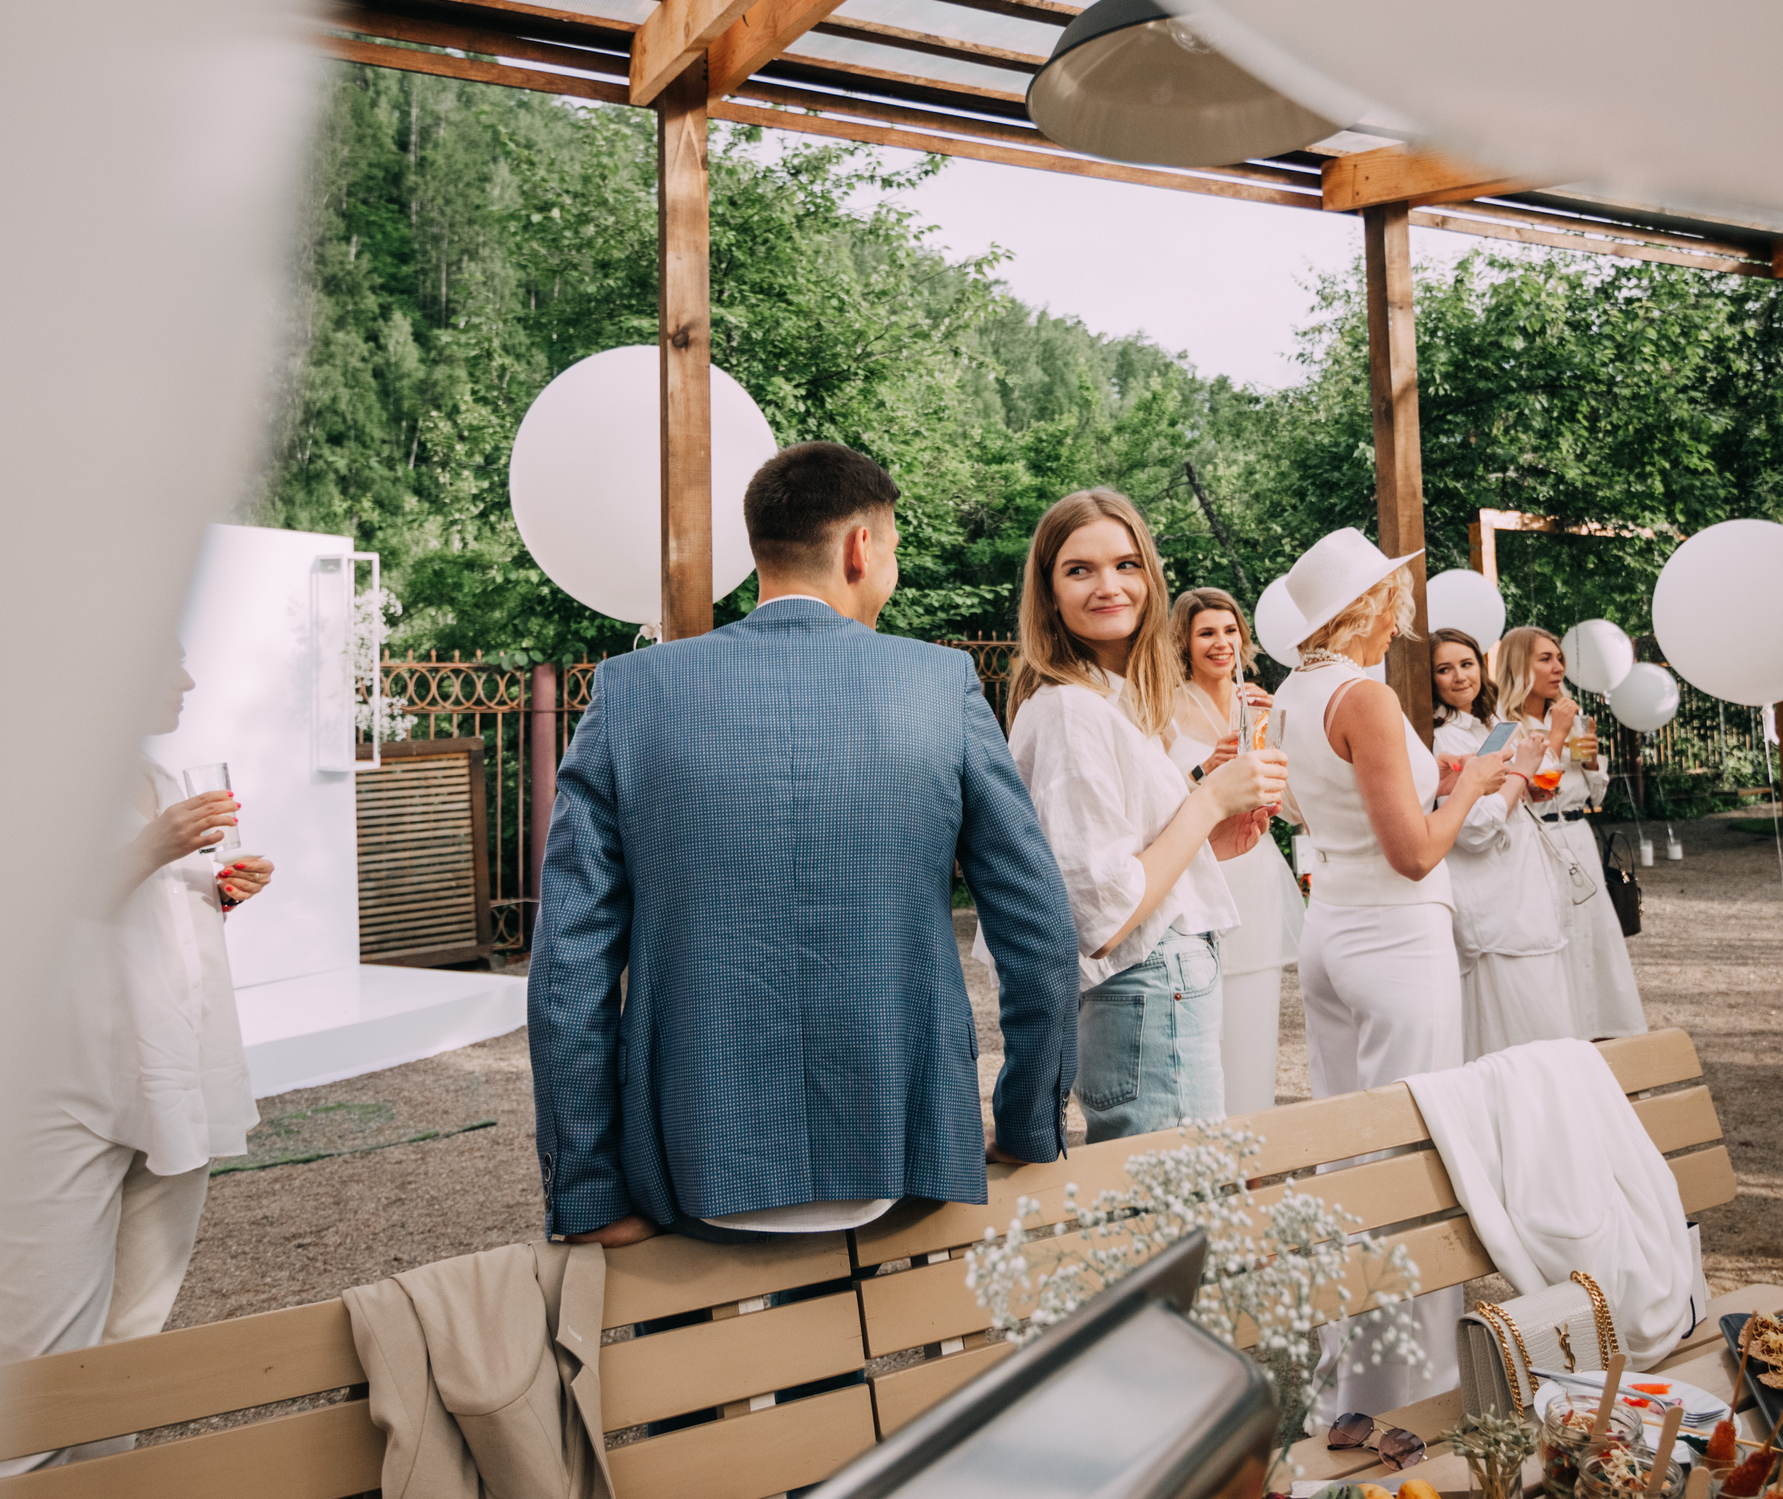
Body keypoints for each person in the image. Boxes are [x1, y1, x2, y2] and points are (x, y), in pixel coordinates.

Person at [528, 442, 1080, 1247]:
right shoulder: (940, 686)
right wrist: (1027, 1123)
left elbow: (568, 969)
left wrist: (589, 1192)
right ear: (861, 547)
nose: (890, 573)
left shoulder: (629, 692)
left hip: (693, 1161)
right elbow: (1041, 936)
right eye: (892, 551)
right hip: (904, 1153)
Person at [0, 656, 275, 1473]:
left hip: (170, 1077)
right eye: (167, 659)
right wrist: (151, 847)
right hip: (66, 1087)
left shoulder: (152, 771)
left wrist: (217, 891)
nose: (187, 679)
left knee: (126, 1346)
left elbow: (137, 926)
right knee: (32, 1354)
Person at [1272, 530, 1512, 1422]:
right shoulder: (1364, 694)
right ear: (1371, 605)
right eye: (1392, 593)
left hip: (1331, 930)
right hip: (1396, 940)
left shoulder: (1294, 696)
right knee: (1415, 1159)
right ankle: (1408, 1397)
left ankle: (1353, 1384)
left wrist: (1438, 778)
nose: (1402, 607)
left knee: (1354, 1157)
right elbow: (1413, 852)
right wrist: (1473, 783)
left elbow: (1328, 806)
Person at [1007, 492, 1286, 1143]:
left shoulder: (1115, 699)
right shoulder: (1073, 711)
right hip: (1146, 992)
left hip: (1158, 991)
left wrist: (1212, 839)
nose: (1109, 584)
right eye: (1080, 569)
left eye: (1126, 563)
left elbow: (1129, 860)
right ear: (1048, 591)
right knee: (1172, 1212)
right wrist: (1210, 798)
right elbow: (1101, 912)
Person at [1165, 588, 1306, 1114]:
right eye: (1207, 632)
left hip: (1256, 875)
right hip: (1195, 872)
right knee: (1200, 1022)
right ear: (1185, 640)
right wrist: (1208, 768)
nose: (1221, 643)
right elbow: (1149, 803)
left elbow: (1290, 806)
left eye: (1230, 631)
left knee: (1254, 1016)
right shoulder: (1165, 705)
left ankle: (1252, 1156)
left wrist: (1280, 744)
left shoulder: (1261, 704)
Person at [1492, 625, 1648, 1039]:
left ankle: (1604, 1030)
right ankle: (1564, 1032)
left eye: (1559, 658)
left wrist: (1594, 763)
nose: (1558, 667)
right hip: (1537, 839)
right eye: (1545, 659)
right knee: (1556, 929)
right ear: (1520, 665)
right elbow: (1537, 792)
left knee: (1592, 935)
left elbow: (1595, 793)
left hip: (1578, 833)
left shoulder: (1571, 717)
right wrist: (1557, 737)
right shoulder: (1504, 724)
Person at [1428, 628, 1577, 1056]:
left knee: (1551, 1030)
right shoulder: (1442, 738)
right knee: (1519, 1042)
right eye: (1444, 669)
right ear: (1430, 680)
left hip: (1528, 896)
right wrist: (1521, 774)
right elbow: (1474, 829)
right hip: (1495, 910)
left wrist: (1529, 785)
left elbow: (1513, 796)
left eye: (1467, 664)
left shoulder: (1490, 725)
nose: (1459, 677)